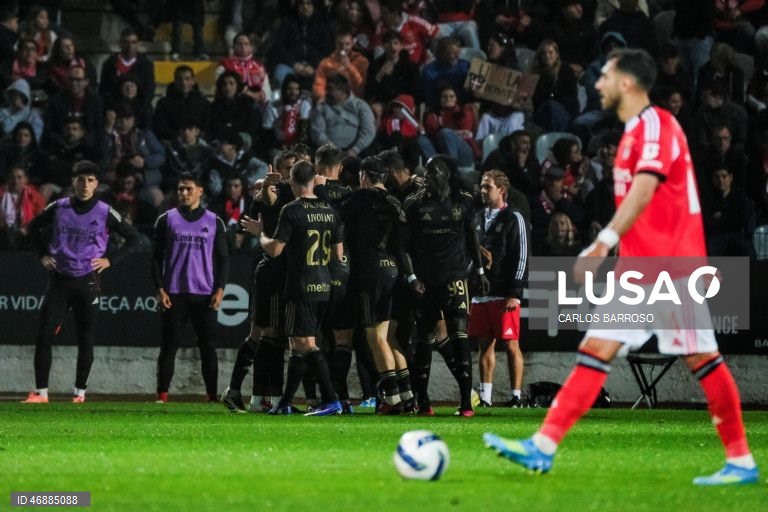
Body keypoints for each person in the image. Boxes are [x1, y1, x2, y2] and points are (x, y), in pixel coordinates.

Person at [483, 48, 759, 486]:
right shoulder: (636, 131)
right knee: (596, 351)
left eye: (606, 75)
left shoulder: (655, 125)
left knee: (703, 359)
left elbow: (648, 190)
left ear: (627, 83)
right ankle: (544, 445)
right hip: (642, 269)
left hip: (670, 271)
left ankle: (741, 459)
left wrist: (603, 242)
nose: (598, 83)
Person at [22, 161, 139, 403]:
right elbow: (33, 227)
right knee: (44, 335)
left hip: (89, 280)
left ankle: (79, 394)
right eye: (80, 179)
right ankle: (41, 393)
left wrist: (110, 260)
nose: (85, 184)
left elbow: (133, 238)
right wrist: (43, 254)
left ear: (97, 184)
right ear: (73, 181)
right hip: (60, 279)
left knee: (86, 337)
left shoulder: (105, 211)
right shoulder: (60, 207)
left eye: (90, 180)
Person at [240, 159, 345, 416]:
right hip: (324, 284)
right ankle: (285, 403)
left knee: (304, 343)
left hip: (301, 284)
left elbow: (275, 250)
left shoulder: (292, 210)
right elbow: (337, 254)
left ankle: (332, 400)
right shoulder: (331, 211)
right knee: (298, 345)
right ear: (313, 180)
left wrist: (260, 232)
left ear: (294, 182)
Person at [401, 155, 489, 416]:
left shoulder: (464, 200)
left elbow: (472, 236)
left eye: (433, 170)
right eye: (425, 170)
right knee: (424, 338)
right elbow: (402, 246)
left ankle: (465, 403)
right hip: (426, 282)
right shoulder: (414, 204)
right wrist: (412, 278)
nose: (426, 175)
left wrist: (480, 271)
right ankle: (424, 402)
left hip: (455, 277)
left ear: (447, 172)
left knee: (459, 334)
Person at [153, 172, 229, 403]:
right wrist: (159, 288)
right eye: (180, 189)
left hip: (204, 294)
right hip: (174, 293)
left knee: (208, 348)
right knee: (169, 347)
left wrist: (220, 289)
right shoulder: (166, 219)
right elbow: (155, 258)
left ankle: (212, 397)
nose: (184, 193)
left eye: (188, 189)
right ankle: (162, 396)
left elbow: (223, 259)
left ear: (200, 191)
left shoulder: (214, 221)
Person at [470, 170, 529, 408]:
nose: (482, 191)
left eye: (487, 187)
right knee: (484, 344)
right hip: (481, 292)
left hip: (505, 292)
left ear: (501, 190)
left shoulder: (515, 217)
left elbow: (522, 255)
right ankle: (486, 397)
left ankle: (515, 395)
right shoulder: (475, 217)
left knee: (512, 344)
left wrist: (515, 292)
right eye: (482, 186)